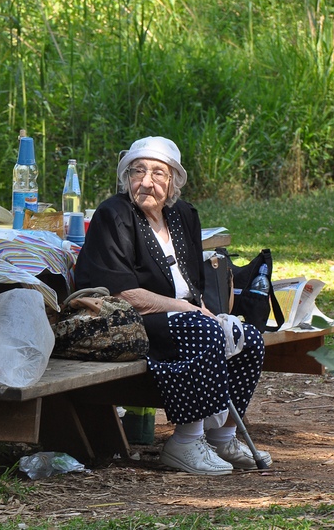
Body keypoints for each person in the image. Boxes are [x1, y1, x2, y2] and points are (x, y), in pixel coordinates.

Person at [73, 136, 271, 475]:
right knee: (204, 332)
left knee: (249, 337)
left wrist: (208, 310)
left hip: (182, 315)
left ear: (174, 181)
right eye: (138, 171)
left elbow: (194, 283)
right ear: (126, 177)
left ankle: (222, 437)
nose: (146, 181)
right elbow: (122, 295)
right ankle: (185, 441)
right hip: (130, 320)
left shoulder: (182, 215)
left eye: (158, 173)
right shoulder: (114, 215)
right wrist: (189, 310)